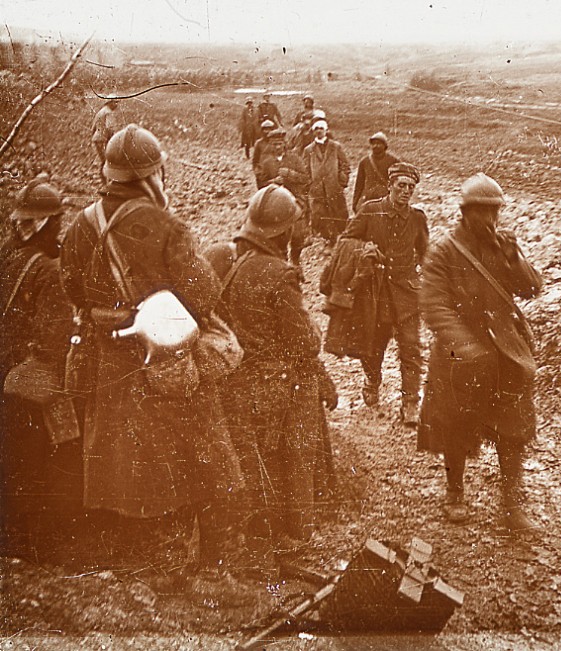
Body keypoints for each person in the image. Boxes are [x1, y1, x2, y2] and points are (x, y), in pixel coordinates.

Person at [60, 124, 252, 604]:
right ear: (152, 174)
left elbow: (72, 292)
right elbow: (206, 294)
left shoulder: (80, 225)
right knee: (214, 465)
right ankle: (212, 579)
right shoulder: (167, 226)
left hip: (111, 369)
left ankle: (156, 572)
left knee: (137, 471)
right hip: (167, 366)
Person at [213, 185, 338, 554]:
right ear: (282, 231)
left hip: (237, 380)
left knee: (255, 462)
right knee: (293, 453)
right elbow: (305, 344)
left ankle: (260, 537)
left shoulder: (227, 261)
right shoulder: (280, 273)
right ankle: (293, 533)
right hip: (273, 384)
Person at [418, 173, 543, 531]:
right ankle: (455, 492)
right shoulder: (443, 250)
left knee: (514, 427)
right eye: (481, 213)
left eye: (494, 213)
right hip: (460, 357)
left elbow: (533, 288)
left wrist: (514, 257)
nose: (489, 220)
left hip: (504, 354)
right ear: (464, 212)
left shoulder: (501, 246)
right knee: (454, 427)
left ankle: (510, 508)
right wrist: (464, 344)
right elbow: (433, 304)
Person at [0, 175, 81, 561]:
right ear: (51, 222)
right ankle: (40, 546)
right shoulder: (49, 270)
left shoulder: (7, 258)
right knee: (45, 460)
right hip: (32, 378)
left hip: (8, 373)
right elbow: (56, 338)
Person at [341, 163, 428, 425]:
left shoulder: (417, 218)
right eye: (401, 185)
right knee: (374, 345)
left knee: (411, 347)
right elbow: (346, 240)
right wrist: (365, 249)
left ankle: (410, 402)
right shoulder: (370, 210)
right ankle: (372, 380)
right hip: (375, 292)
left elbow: (425, 253)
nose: (405, 191)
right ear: (390, 185)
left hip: (406, 293)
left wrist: (428, 278)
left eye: (410, 187)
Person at [254, 128, 310, 267]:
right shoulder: (266, 162)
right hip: (276, 205)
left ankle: (296, 261)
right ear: (270, 145)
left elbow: (306, 179)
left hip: (296, 201)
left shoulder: (295, 158)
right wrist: (273, 182)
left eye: (280, 143)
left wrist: (289, 174)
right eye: (274, 144)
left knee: (298, 236)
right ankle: (284, 265)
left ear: (285, 143)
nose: (278, 147)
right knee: (280, 237)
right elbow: (261, 185)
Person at [303, 119, 351, 246]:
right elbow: (305, 169)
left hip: (334, 186)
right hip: (317, 188)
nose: (319, 131)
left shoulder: (335, 146)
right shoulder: (308, 150)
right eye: (316, 128)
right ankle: (329, 239)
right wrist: (310, 184)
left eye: (321, 128)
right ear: (313, 131)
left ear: (326, 130)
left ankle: (341, 239)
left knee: (338, 212)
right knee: (320, 214)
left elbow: (345, 164)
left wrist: (342, 180)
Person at [352, 132, 400, 212]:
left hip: (386, 200)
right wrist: (355, 203)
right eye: (373, 144)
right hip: (368, 199)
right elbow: (359, 184)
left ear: (385, 146)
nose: (375, 146)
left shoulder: (393, 161)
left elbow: (398, 183)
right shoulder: (364, 162)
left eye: (379, 143)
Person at [91, 97, 123, 166]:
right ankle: (107, 176)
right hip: (104, 139)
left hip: (97, 139)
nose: (117, 105)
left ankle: (103, 175)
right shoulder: (108, 112)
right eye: (115, 102)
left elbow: (93, 128)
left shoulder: (100, 112)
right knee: (107, 161)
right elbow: (110, 127)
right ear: (110, 103)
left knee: (103, 160)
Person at [252, 119, 277, 187]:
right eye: (265, 129)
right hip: (263, 174)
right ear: (262, 130)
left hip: (275, 172)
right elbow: (255, 160)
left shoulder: (277, 143)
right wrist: (258, 173)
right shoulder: (259, 143)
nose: (267, 132)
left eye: (270, 129)